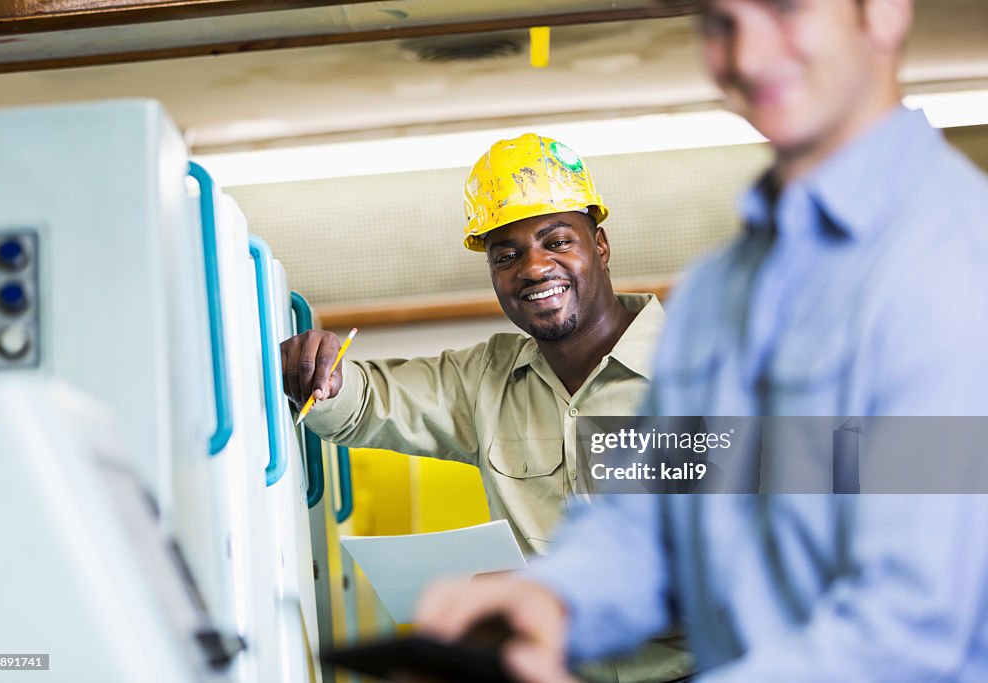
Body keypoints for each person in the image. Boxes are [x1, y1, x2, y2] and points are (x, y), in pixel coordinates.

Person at [414, 1, 988, 681]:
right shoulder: (721, 288)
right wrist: (552, 600)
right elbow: (657, 510)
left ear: (885, 14)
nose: (745, 54)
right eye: (719, 22)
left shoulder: (954, 262)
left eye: (784, 8)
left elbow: (914, 624)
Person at [281, 133, 691, 682]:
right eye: (507, 255)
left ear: (601, 246)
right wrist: (320, 375)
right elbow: (368, 404)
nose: (533, 267)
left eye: (557, 241)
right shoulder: (484, 381)